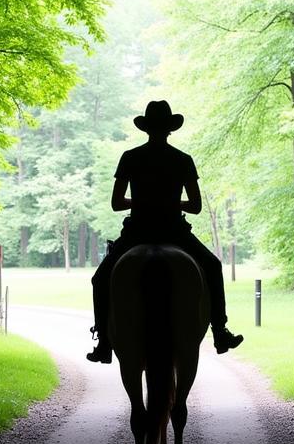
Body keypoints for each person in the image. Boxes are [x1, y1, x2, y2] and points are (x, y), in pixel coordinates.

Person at [87, 99, 244, 364]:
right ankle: (220, 331)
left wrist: (143, 202)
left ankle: (103, 341)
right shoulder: (183, 159)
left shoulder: (130, 157)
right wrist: (170, 203)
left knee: (100, 279)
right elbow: (194, 206)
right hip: (174, 231)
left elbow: (116, 203)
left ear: (146, 129)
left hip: (137, 231)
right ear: (170, 129)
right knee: (213, 267)